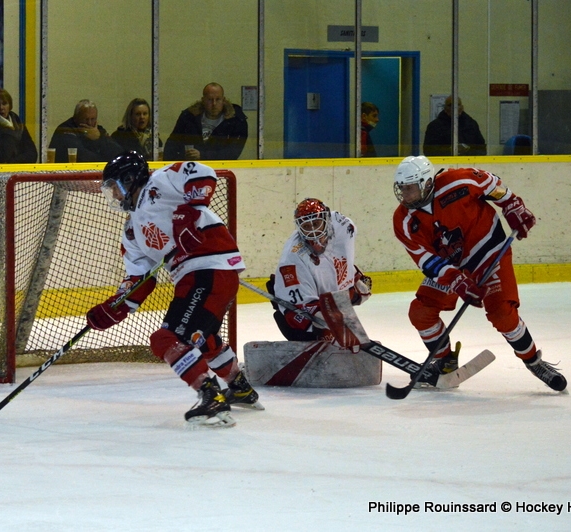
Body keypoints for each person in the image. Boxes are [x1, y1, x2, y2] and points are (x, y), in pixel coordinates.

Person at [88, 151, 261, 427]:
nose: (116, 197)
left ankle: (211, 397)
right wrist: (114, 307)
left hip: (208, 268)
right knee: (201, 337)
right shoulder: (131, 231)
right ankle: (239, 387)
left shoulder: (161, 181)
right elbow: (139, 280)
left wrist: (189, 212)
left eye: (116, 188)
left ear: (131, 179)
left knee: (166, 340)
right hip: (195, 277)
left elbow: (203, 173)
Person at [391, 155, 566, 391]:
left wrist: (513, 205)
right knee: (421, 312)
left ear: (426, 183)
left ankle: (533, 361)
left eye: (410, 188)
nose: (405, 194)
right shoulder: (403, 220)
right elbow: (427, 260)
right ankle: (445, 362)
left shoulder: (457, 181)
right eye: (402, 188)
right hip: (453, 267)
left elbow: (492, 185)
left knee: (502, 313)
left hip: (490, 254)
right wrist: (456, 280)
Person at [268, 198, 372, 342]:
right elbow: (298, 312)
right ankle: (316, 338)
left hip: (324, 299)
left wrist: (350, 281)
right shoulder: (291, 259)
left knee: (355, 294)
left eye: (316, 223)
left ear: (326, 220)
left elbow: (336, 257)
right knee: (315, 325)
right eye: (307, 226)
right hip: (297, 315)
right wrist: (325, 328)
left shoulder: (343, 225)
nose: (313, 230)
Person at [163, 83, 248, 161]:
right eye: (210, 100)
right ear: (203, 100)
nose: (214, 104)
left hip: (221, 169)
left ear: (223, 100)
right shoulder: (188, 117)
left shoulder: (236, 121)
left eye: (218, 99)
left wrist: (203, 155)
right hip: (190, 167)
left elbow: (233, 152)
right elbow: (172, 144)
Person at [0, 88, 38, 163]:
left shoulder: (18, 123)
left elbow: (32, 153)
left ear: (9, 106)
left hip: (19, 170)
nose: (1, 108)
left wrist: (13, 163)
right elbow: (0, 156)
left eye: (4, 103)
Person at [48, 99, 123, 163]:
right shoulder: (65, 130)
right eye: (86, 119)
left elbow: (118, 154)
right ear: (76, 118)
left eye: (93, 119)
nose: (89, 123)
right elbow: (83, 157)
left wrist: (99, 138)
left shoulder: (98, 131)